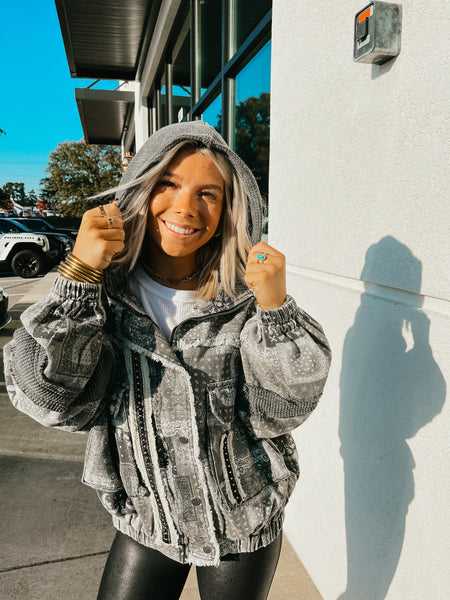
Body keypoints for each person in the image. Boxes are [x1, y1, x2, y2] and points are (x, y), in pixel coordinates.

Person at [4, 121, 331, 600]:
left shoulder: (243, 297)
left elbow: (282, 410)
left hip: (243, 517)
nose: (186, 207)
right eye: (168, 184)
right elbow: (50, 400)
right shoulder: (104, 297)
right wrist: (78, 277)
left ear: (229, 208)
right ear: (140, 189)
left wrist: (276, 310)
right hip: (148, 517)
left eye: (208, 194)